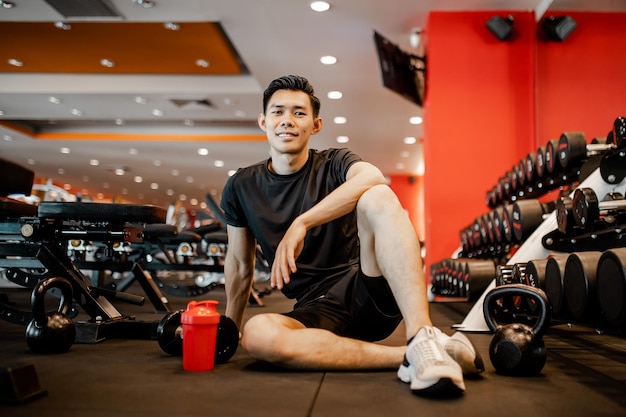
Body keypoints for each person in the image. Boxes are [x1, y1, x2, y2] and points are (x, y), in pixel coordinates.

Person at [220, 75, 483, 397]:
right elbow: (238, 262)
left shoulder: (333, 163)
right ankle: (413, 354)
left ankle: (421, 333)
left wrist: (302, 223)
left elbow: (372, 176)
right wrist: (229, 330)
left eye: (299, 113)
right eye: (277, 112)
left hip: (366, 287)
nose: (287, 121)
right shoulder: (241, 186)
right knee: (258, 335)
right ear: (263, 121)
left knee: (376, 195)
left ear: (315, 125)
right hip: (317, 310)